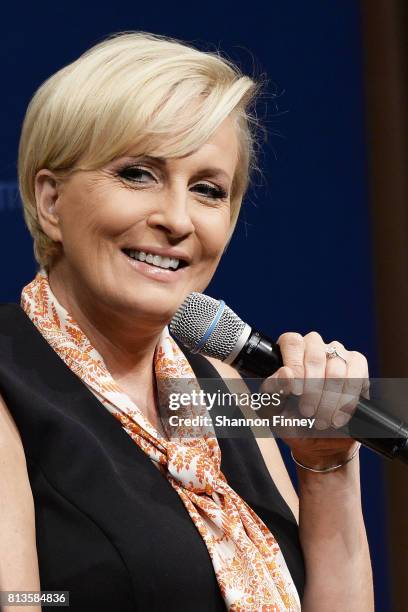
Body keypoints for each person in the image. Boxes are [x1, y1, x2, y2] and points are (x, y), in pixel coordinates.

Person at [0, 31, 374, 611]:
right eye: (137, 174)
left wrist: (327, 465)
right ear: (51, 203)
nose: (177, 220)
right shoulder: (8, 378)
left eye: (206, 189)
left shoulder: (219, 385)